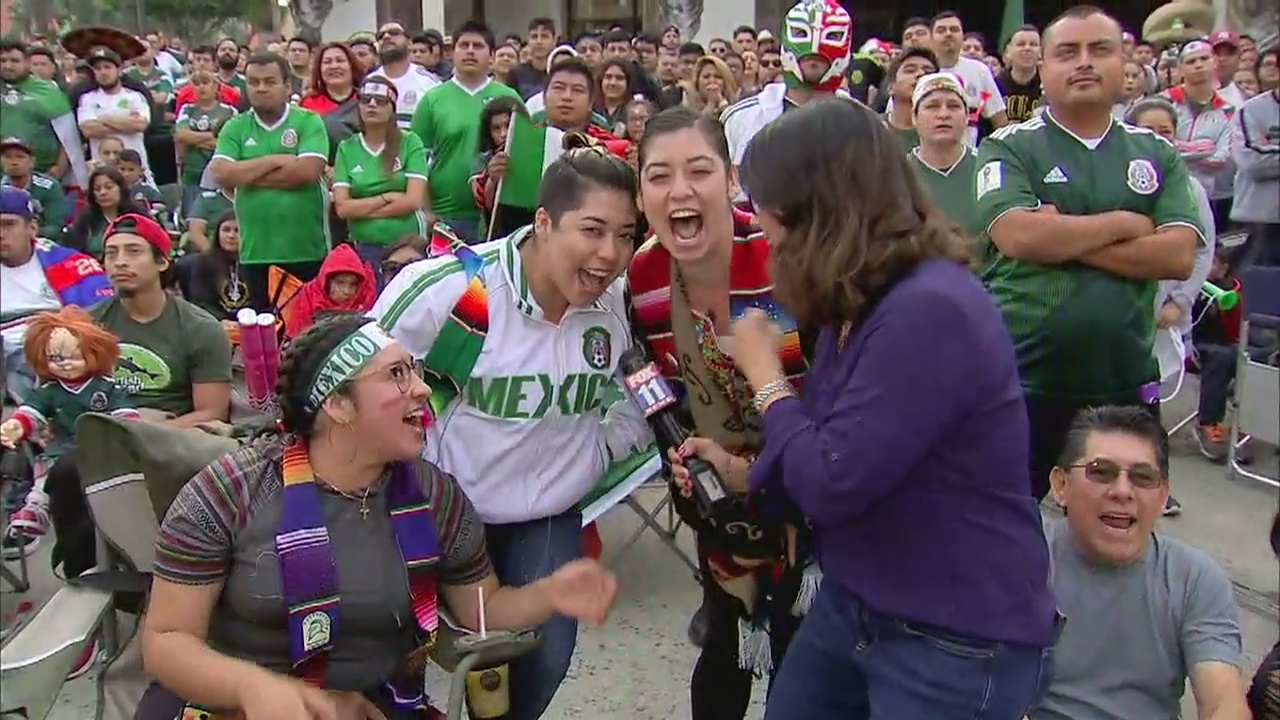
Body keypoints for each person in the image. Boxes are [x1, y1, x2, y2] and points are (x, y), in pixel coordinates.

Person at [688, 96, 1057, 719]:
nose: (762, 225)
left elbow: (832, 479)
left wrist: (765, 376)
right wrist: (742, 472)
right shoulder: (860, 299)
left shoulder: (928, 309)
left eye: (767, 207)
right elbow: (832, 437)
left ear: (821, 208)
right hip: (860, 599)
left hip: (951, 636)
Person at [134, 313, 620, 720]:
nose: (422, 392)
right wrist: (253, 689)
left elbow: (483, 611)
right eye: (396, 375)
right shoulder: (231, 491)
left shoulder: (434, 496)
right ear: (339, 405)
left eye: (414, 371)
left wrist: (551, 592)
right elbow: (166, 642)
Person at [373, 145, 650, 720]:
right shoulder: (449, 288)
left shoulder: (616, 307)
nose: (610, 254)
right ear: (543, 222)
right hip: (438, 511)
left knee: (543, 657)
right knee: (397, 659)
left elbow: (639, 399)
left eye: (626, 235)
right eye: (592, 230)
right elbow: (358, 382)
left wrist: (596, 454)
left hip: (545, 517)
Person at [975, 6, 1204, 512]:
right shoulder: (1009, 147)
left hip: (1122, 383)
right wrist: (1127, 224)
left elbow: (1179, 255)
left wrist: (1062, 233)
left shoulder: (1156, 152)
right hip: (1022, 382)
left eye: (1099, 50)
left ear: (1125, 63)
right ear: (1043, 68)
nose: (1083, 63)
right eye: (1067, 52)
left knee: (1117, 521)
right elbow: (1017, 236)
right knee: (1007, 522)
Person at [628, 106, 815, 720]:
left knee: (804, 661)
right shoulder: (645, 277)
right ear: (641, 194)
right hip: (721, 504)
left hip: (815, 490)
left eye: (698, 171)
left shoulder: (787, 256)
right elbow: (665, 394)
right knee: (725, 652)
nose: (680, 191)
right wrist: (683, 462)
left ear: (731, 180)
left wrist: (771, 471)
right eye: (659, 176)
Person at [1030, 406, 1250, 720]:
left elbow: (1224, 701)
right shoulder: (1024, 565)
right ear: (1060, 485)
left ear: (1163, 498)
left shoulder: (1194, 579)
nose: (1122, 491)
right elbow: (987, 690)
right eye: (1100, 471)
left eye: (1142, 477)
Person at [46, 214, 231, 584]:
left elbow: (211, 411)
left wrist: (141, 431)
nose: (119, 262)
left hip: (171, 436)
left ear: (162, 261)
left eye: (133, 252)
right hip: (101, 429)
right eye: (111, 254)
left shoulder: (199, 328)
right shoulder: (90, 325)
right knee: (66, 471)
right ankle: (84, 580)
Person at [210, 52, 329, 311]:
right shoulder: (235, 127)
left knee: (308, 329)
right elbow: (221, 173)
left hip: (307, 250)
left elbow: (307, 172)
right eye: (254, 82)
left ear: (287, 86)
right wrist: (278, 160)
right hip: (256, 251)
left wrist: (247, 173)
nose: (261, 88)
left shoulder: (308, 121)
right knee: (264, 332)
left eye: (269, 81)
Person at [722, 0, 852, 200]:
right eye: (801, 34)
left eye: (832, 36)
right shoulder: (740, 119)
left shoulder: (867, 126)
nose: (815, 49)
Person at [410, 21, 522, 246]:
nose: (470, 51)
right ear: (452, 53)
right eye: (464, 45)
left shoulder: (510, 99)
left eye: (478, 46)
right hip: (446, 216)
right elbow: (417, 162)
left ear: (491, 56)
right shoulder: (432, 100)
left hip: (497, 215)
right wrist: (427, 212)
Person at [0, 185, 112, 403]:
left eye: (8, 225)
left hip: (54, 360)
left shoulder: (71, 265)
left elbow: (102, 320)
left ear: (32, 228)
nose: (0, 234)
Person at [332, 76, 429, 266]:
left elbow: (413, 201)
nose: (372, 105)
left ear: (392, 108)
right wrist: (386, 198)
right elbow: (342, 209)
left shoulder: (410, 142)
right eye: (366, 100)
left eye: (381, 101)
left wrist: (359, 209)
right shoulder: (346, 148)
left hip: (407, 245)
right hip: (364, 245)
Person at [907, 72, 981, 240]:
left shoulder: (987, 168)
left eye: (954, 106)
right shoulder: (897, 175)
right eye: (932, 106)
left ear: (967, 117)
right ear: (914, 117)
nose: (943, 114)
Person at [0, 39, 80, 183]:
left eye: (14, 61)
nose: (7, 66)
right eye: (3, 60)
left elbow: (68, 138)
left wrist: (60, 167)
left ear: (27, 63)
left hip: (42, 177)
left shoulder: (48, 92)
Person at [928, 11, 1009, 143]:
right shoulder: (922, 70)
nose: (948, 34)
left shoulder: (979, 70)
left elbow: (1000, 121)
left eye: (954, 30)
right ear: (931, 39)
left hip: (969, 156)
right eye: (941, 30)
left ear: (962, 37)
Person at [76, 48, 154, 184]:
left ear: (119, 70)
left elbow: (140, 125)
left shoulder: (135, 97)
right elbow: (88, 130)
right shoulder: (87, 99)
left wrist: (103, 119)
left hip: (136, 174)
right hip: (103, 177)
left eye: (107, 67)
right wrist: (125, 123)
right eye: (98, 68)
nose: (103, 72)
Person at [1229, 75, 1279, 269]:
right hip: (1260, 223)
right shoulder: (1251, 110)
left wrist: (1270, 150)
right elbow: (1251, 160)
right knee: (1258, 293)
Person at [173, 70, 237, 217]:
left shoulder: (229, 112)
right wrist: (213, 137)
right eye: (196, 84)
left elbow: (230, 141)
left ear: (216, 87)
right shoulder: (187, 110)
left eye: (205, 83)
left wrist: (195, 139)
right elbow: (181, 135)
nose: (201, 87)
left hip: (220, 176)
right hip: (192, 173)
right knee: (191, 216)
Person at [283, 244, 377, 339]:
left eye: (353, 284)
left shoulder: (364, 302)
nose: (347, 291)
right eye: (340, 283)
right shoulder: (309, 298)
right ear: (327, 281)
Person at [63, 165, 147, 256]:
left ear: (121, 189)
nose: (102, 193)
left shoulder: (138, 216)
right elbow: (73, 254)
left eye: (109, 187)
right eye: (97, 189)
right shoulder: (85, 221)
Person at [183, 211, 250, 325]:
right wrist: (221, 320)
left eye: (237, 230)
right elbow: (201, 301)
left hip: (251, 324)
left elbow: (261, 301)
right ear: (217, 233)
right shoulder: (204, 262)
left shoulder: (255, 264)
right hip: (214, 324)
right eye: (226, 230)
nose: (231, 236)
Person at [370, 22, 439, 129]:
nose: (386, 37)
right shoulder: (369, 82)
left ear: (409, 43)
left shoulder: (429, 82)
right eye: (380, 36)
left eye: (394, 33)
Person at [0, 136, 68, 238]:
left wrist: (23, 234)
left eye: (20, 157)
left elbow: (55, 227)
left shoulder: (49, 187)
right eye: (8, 157)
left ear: (32, 162)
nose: (13, 162)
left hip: (40, 241)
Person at [881, 48, 938, 153]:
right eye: (910, 70)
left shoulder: (942, 134)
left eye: (928, 72)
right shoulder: (871, 128)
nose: (921, 74)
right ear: (890, 87)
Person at [998, 24, 1043, 123]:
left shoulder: (1049, 86)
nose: (1027, 48)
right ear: (1007, 52)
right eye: (1021, 44)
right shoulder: (995, 85)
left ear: (1041, 51)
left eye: (1033, 44)